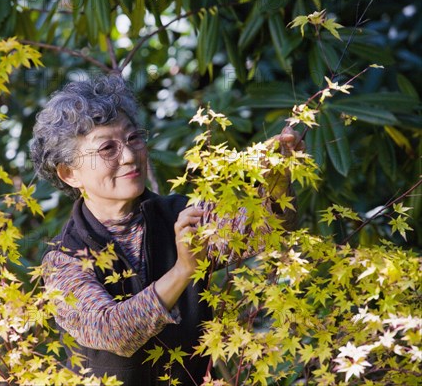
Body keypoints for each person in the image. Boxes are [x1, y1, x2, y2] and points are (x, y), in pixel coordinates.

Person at [30, 75, 302, 385]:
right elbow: (113, 331)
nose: (130, 156)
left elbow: (268, 229)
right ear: (69, 173)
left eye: (133, 138)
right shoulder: (64, 259)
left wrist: (277, 183)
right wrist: (184, 269)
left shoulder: (182, 216)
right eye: (107, 148)